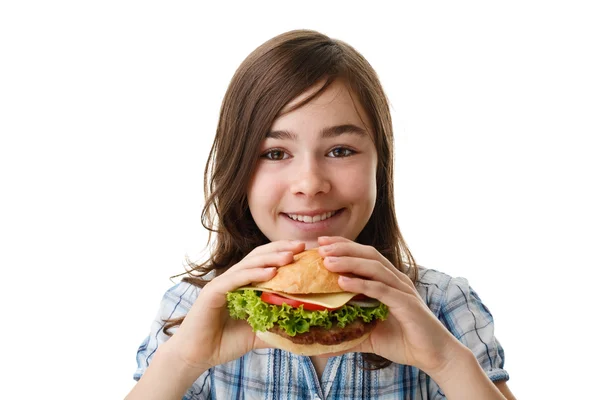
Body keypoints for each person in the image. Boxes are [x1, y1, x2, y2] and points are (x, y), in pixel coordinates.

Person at [126, 29, 516, 400]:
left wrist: (446, 361)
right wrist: (183, 361)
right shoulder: (193, 308)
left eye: (341, 150)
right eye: (275, 153)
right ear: (238, 169)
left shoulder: (442, 303)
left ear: (380, 166)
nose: (310, 183)